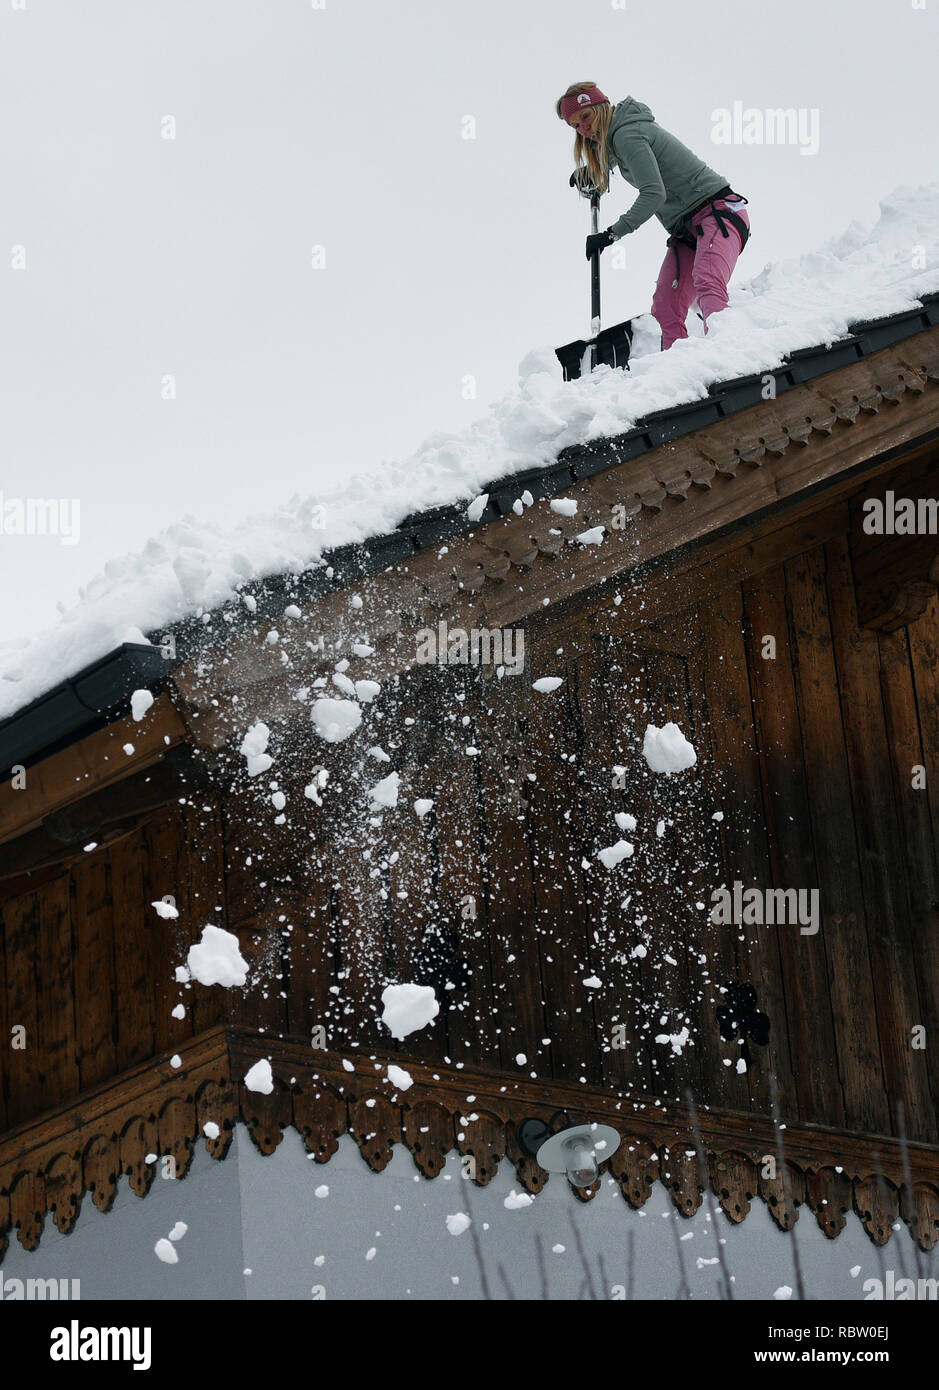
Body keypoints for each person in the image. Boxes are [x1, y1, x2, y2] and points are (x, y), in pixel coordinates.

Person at [557, 82, 750, 350]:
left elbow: (653, 193)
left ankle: (731, 354)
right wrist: (594, 170)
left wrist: (611, 234)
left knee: (707, 280)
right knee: (665, 308)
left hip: (718, 213)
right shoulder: (620, 139)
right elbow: (619, 157)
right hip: (687, 231)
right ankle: (680, 373)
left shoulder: (627, 134)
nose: (584, 129)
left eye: (586, 117)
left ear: (601, 108)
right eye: (576, 126)